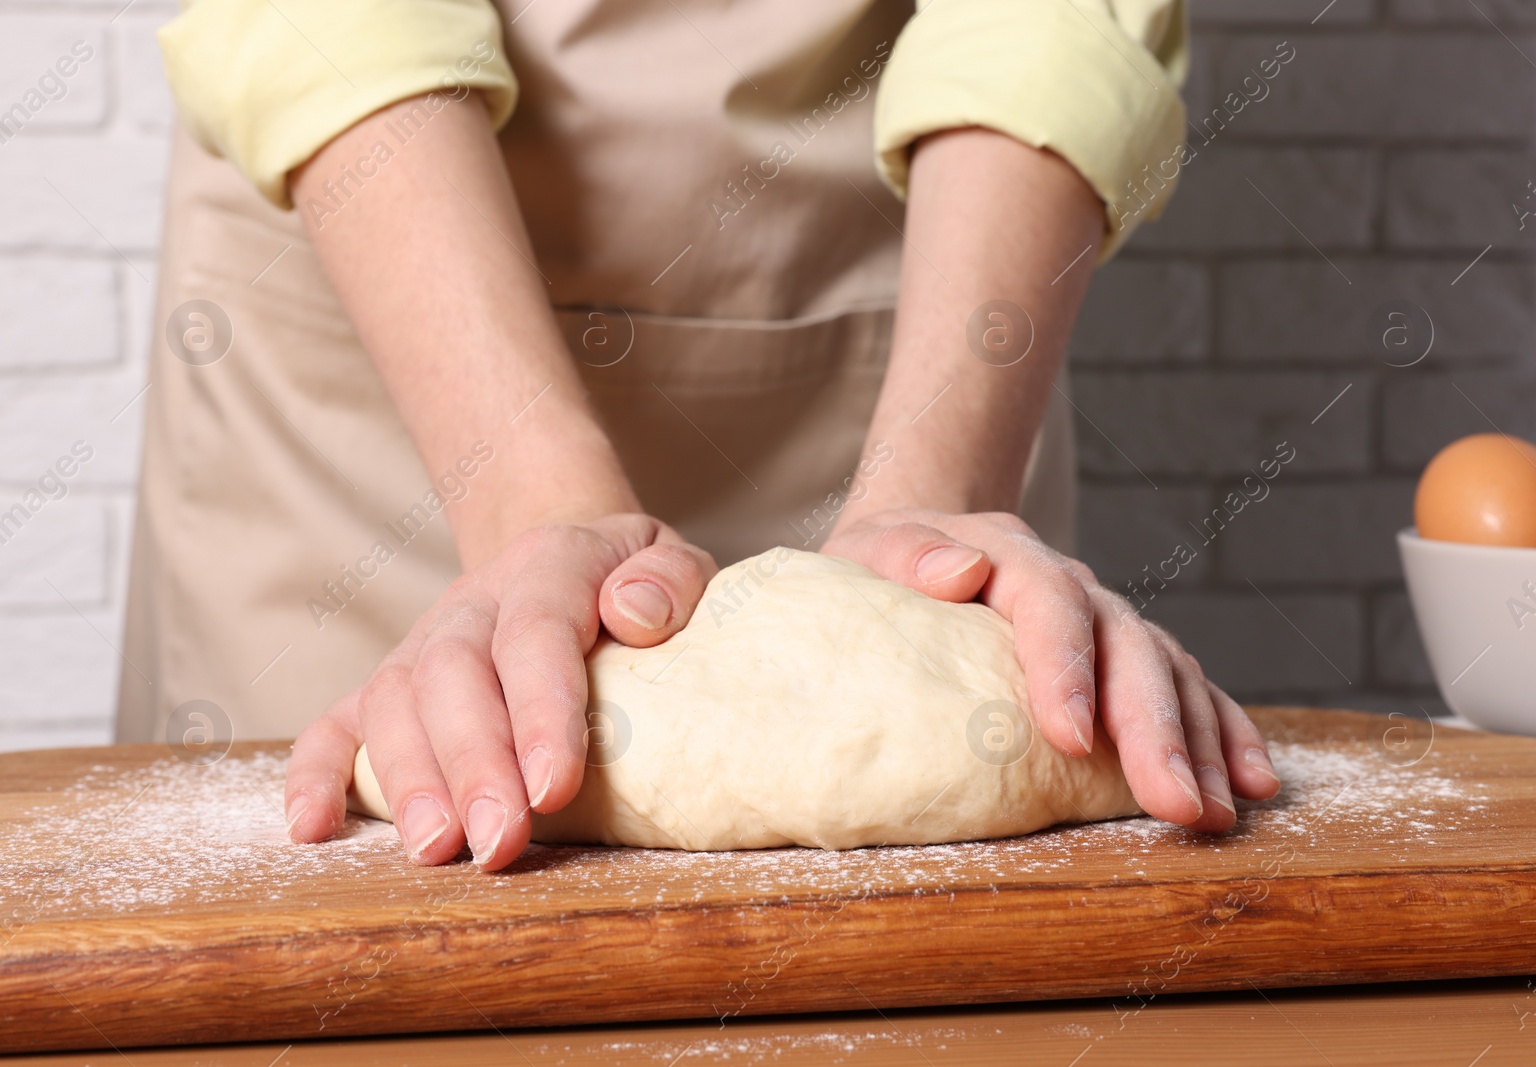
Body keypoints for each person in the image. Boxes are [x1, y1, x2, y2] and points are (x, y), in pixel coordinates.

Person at [123, 0, 1280, 870]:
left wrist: (929, 509)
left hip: (905, 282)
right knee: (355, 894)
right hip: (381, 276)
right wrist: (534, 501)